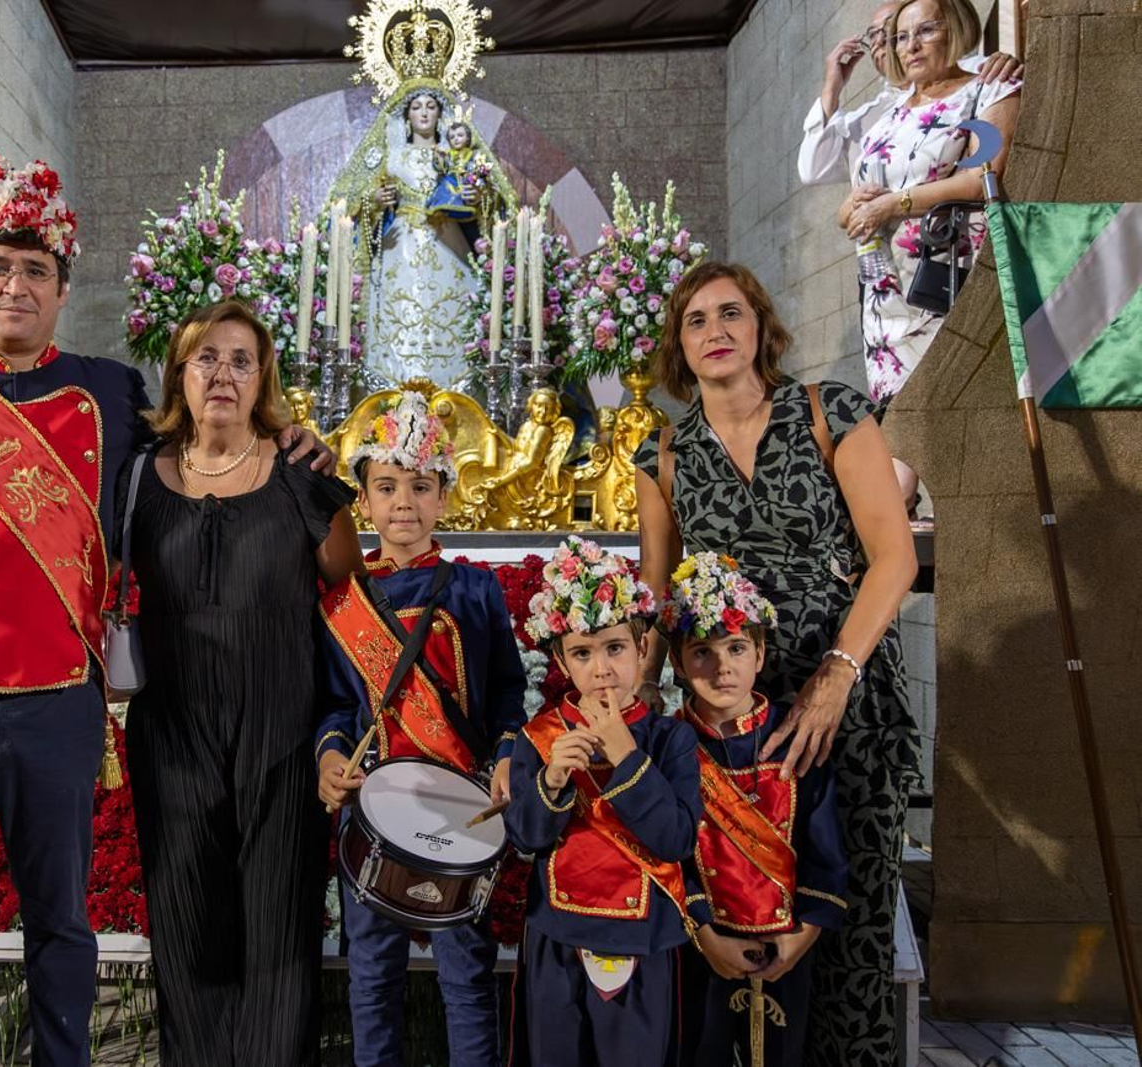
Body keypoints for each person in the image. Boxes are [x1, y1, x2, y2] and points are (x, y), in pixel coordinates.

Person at [0, 158, 332, 1067]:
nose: (16, 285)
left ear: (60, 288)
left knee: (64, 927)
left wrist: (284, 436)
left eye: (36, 270)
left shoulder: (108, 394)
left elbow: (199, 449)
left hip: (56, 701)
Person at [634, 260, 918, 1067]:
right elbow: (659, 602)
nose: (715, 331)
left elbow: (892, 559)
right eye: (695, 320)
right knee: (745, 921)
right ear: (678, 347)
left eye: (731, 313)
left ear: (761, 326)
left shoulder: (829, 412)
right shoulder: (667, 456)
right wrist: (629, 706)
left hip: (850, 698)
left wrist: (834, 675)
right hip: (734, 718)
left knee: (849, 920)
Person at [120, 300, 362, 1066]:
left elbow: (347, 578)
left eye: (240, 360)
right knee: (187, 929)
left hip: (281, 731)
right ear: (179, 375)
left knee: (280, 932)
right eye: (206, 358)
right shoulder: (137, 477)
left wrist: (329, 467)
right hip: (174, 730)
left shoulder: (299, 471)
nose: (223, 373)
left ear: (263, 381)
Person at [314, 390, 527, 1067]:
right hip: (372, 809)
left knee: (468, 978)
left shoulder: (474, 590)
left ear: (444, 497)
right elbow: (336, 704)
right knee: (371, 978)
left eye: (419, 486)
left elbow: (504, 692)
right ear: (364, 501)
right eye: (386, 486)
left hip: (461, 809)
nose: (402, 502)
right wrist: (331, 756)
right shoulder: (346, 602)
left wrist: (504, 755)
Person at [503, 537, 700, 1067]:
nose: (602, 669)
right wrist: (552, 782)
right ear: (562, 662)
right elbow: (525, 838)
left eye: (615, 648)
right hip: (556, 935)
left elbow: (677, 840)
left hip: (645, 936)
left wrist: (626, 756)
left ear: (641, 649)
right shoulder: (539, 736)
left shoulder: (670, 739)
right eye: (582, 654)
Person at [658, 553, 846, 1067]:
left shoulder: (796, 739)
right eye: (702, 652)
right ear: (676, 661)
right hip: (700, 945)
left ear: (760, 654)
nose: (722, 669)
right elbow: (664, 857)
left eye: (737, 648)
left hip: (787, 943)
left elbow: (825, 850)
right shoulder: (665, 744)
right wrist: (705, 932)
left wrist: (799, 940)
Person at [844, 0, 1023, 401]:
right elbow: (849, 208)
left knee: (936, 421)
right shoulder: (888, 116)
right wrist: (856, 205)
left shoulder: (985, 89)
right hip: (881, 299)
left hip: (943, 285)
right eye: (901, 37)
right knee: (896, 422)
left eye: (926, 31)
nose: (911, 46)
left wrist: (894, 204)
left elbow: (981, 177)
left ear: (956, 29)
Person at [330, 76, 514, 390]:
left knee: (454, 314)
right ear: (407, 116)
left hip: (448, 239)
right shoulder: (391, 155)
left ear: (441, 114)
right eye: (416, 107)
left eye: (431, 106)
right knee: (396, 316)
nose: (424, 113)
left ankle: (457, 390)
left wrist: (478, 196)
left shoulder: (457, 154)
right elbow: (356, 197)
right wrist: (375, 200)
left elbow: (492, 198)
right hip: (399, 245)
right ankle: (390, 389)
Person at [798, 1, 1022, 188]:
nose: (880, 39)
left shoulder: (981, 75)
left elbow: (983, 178)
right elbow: (812, 170)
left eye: (890, 28)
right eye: (873, 34)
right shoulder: (876, 116)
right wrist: (831, 88)